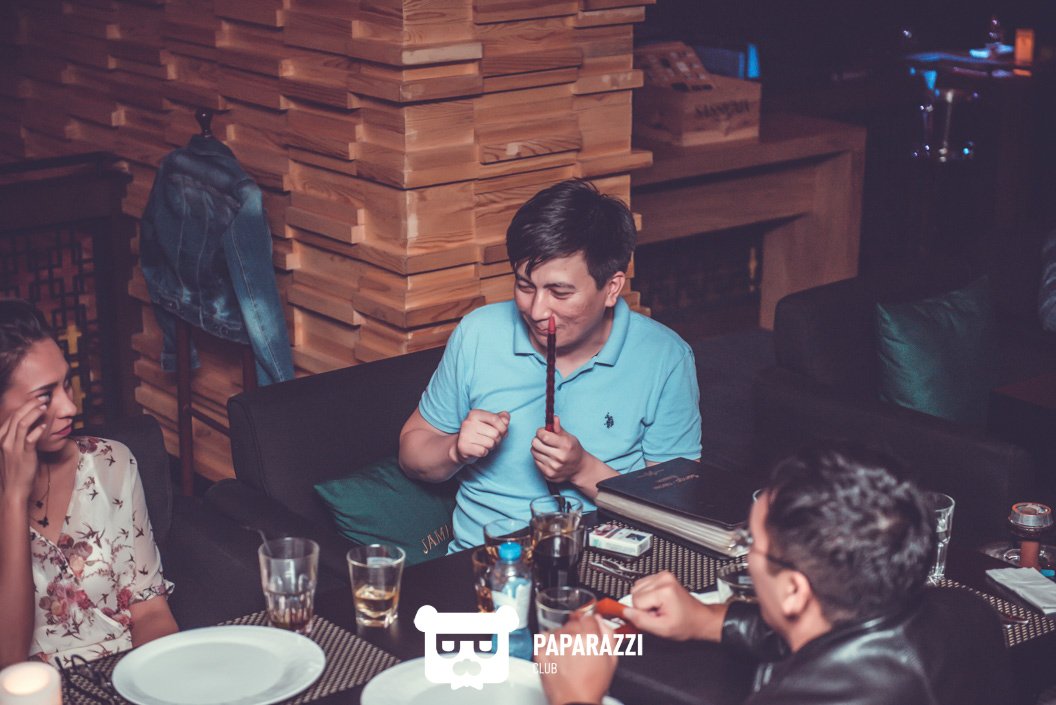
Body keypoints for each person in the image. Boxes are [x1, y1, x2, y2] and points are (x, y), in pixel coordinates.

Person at [539, 444, 1011, 705]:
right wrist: (706, 619)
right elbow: (843, 638)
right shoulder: (969, 613)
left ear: (793, 589)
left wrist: (576, 696)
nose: (746, 558)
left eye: (752, 544)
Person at [399, 179, 702, 550]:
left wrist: (583, 469)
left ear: (611, 288)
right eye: (525, 286)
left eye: (559, 292)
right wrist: (453, 451)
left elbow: (677, 508)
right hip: (487, 561)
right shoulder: (478, 333)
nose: (537, 310)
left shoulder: (665, 357)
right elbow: (411, 453)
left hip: (608, 561)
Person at [0, 300, 178, 668]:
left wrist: (163, 681)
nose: (70, 406)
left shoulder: (110, 463)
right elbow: (8, 662)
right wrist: (15, 498)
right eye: (45, 396)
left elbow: (150, 611)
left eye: (66, 383)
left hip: (128, 674)